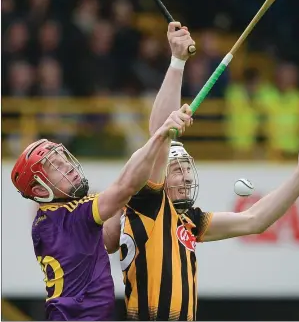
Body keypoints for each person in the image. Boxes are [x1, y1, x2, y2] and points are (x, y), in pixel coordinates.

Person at [115, 22, 299, 321]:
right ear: (160, 177)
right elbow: (159, 134)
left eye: (187, 170)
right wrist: (178, 62)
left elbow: (254, 220)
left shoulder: (188, 221)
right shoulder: (146, 205)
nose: (187, 176)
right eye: (177, 170)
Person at [10, 103, 193, 321]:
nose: (67, 166)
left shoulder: (52, 217)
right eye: (56, 167)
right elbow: (125, 186)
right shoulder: (70, 216)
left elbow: (110, 239)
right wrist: (160, 135)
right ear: (40, 190)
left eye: (63, 159)